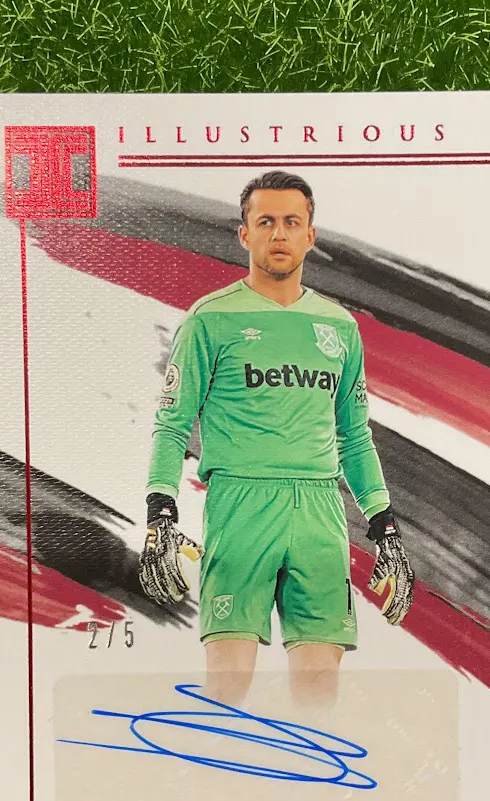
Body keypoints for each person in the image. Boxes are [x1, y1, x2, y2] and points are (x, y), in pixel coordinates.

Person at [138, 170, 414, 705]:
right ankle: (212, 760)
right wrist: (160, 512)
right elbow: (172, 424)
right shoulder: (210, 319)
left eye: (292, 221)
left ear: (311, 235)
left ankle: (311, 763)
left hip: (320, 511)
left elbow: (354, 436)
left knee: (320, 685)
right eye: (266, 222)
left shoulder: (339, 327)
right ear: (244, 234)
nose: (279, 233)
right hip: (240, 505)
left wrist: (384, 525)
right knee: (228, 680)